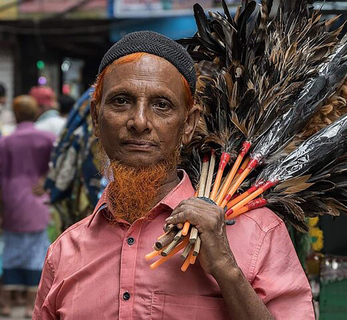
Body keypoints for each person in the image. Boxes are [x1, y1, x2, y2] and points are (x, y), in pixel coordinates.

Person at [33, 31, 314, 319]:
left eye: (161, 105)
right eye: (121, 101)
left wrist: (226, 270)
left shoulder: (258, 233)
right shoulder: (63, 254)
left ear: (188, 124)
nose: (139, 122)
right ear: (95, 116)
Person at [0, 95, 55, 318]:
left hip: (12, 199)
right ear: (35, 113)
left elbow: (1, 176)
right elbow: (60, 162)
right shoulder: (47, 138)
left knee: (10, 250)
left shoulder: (6, 141)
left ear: (15, 114)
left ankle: (6, 305)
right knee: (35, 251)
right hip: (37, 198)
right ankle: (31, 306)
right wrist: (47, 182)